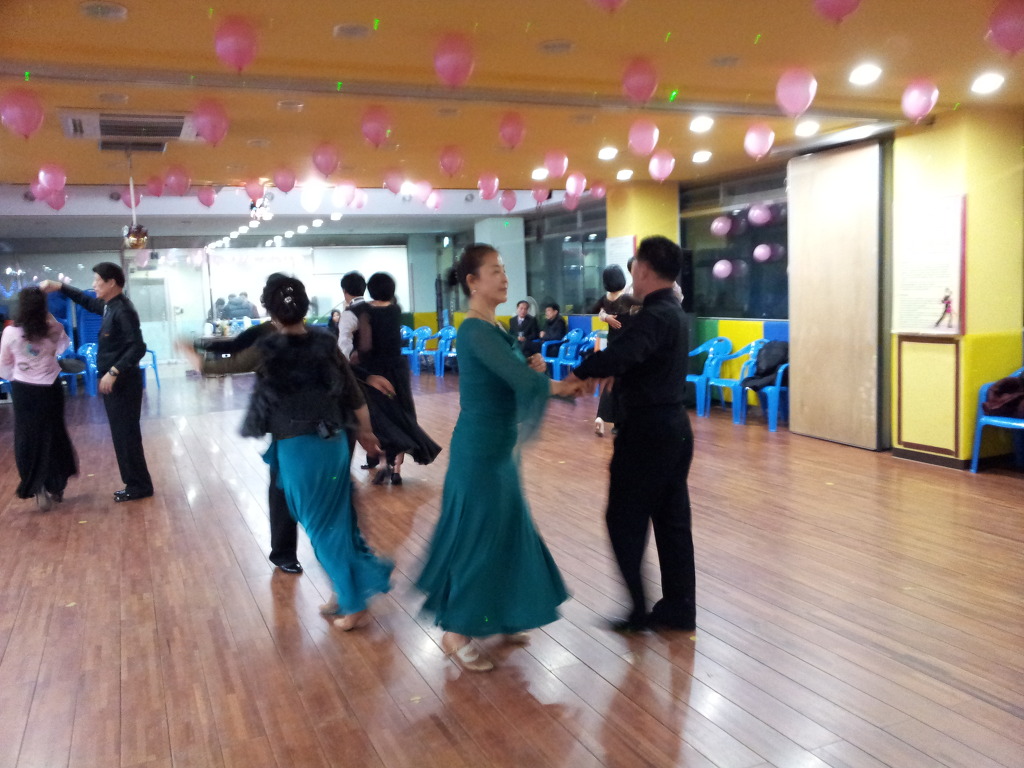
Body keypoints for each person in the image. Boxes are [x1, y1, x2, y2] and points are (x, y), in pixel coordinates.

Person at [416, 244, 576, 672]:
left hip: (499, 449)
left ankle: (503, 614)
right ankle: (456, 631)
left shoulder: (494, 326)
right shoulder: (474, 330)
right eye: (494, 271)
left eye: (503, 270)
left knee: (508, 533)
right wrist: (556, 385)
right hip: (480, 452)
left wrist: (533, 370)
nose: (504, 278)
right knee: (479, 539)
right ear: (472, 282)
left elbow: (512, 378)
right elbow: (514, 378)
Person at [240, 274, 391, 630]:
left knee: (323, 528)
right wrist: (366, 432)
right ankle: (344, 592)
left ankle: (353, 603)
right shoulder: (324, 341)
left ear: (271, 312)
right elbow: (353, 392)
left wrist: (190, 353)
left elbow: (216, 366)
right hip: (333, 443)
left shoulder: (270, 347)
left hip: (300, 450)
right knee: (340, 522)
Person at [565, 236, 697, 633]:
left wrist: (579, 373)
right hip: (674, 429)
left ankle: (639, 610)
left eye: (635, 267)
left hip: (647, 433)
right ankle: (679, 609)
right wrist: (615, 371)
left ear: (644, 270)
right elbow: (639, 359)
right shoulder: (673, 312)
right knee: (672, 522)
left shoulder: (654, 315)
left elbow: (624, 353)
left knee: (623, 518)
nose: (632, 275)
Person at [182, 286, 303, 575]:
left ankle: (294, 554)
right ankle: (292, 552)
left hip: (304, 427)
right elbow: (234, 351)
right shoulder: (270, 337)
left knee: (290, 488)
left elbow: (224, 361)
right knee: (292, 487)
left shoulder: (308, 340)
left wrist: (191, 352)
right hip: (300, 427)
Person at [40, 264, 154, 503]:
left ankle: (139, 485)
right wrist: (60, 287)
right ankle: (135, 483)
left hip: (124, 383)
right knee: (122, 434)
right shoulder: (109, 306)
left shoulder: (123, 310)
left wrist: (113, 371)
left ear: (111, 283)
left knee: (126, 434)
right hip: (117, 383)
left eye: (97, 281)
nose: (93, 286)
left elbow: (138, 347)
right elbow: (85, 300)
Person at [349, 272, 441, 485]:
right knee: (402, 415)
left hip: (375, 371)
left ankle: (383, 463)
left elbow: (365, 345)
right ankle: (397, 470)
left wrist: (356, 357)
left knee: (381, 419)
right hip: (397, 371)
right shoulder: (395, 309)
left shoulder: (364, 311)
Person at [0, 287, 79, 510]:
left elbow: (4, 363)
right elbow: (63, 346)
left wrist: (17, 375)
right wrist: (50, 319)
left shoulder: (11, 332)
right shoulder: (53, 328)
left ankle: (36, 485)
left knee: (27, 436)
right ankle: (57, 484)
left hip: (24, 390)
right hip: (51, 387)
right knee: (54, 433)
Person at [590, 264, 641, 437]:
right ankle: (623, 423)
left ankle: (604, 418)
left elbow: (596, 311)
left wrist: (605, 316)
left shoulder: (605, 298)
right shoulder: (627, 298)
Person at [336, 271, 366, 359]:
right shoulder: (373, 309)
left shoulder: (349, 313)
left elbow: (344, 343)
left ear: (344, 291)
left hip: (358, 363)